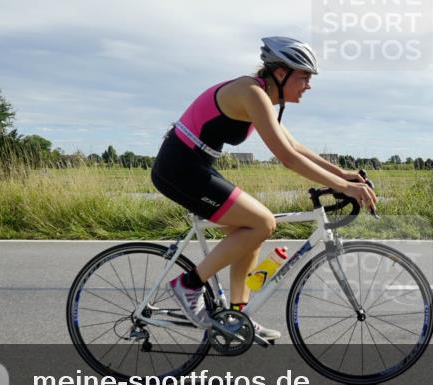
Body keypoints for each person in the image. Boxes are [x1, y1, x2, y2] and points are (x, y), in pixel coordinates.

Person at [151, 36, 378, 340]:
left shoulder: (262, 97)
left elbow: (293, 145)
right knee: (263, 222)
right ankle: (188, 285)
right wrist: (344, 187)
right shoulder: (252, 93)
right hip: (178, 168)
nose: (308, 85)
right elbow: (286, 158)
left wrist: (342, 174)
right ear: (281, 73)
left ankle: (235, 317)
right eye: (304, 77)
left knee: (250, 233)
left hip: (194, 167)